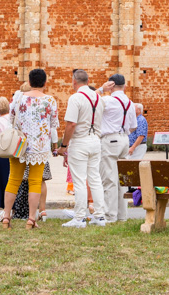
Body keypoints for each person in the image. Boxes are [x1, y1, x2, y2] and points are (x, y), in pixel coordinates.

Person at [2, 69, 59, 229]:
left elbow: (10, 121)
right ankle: (31, 219)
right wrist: (55, 145)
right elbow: (53, 127)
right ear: (45, 83)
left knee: (13, 180)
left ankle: (6, 217)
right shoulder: (50, 100)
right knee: (35, 182)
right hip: (39, 146)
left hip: (19, 144)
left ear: (29, 81)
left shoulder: (18, 98)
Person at [57, 70, 106, 228]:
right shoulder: (99, 98)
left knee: (79, 181)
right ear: (88, 80)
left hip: (80, 141)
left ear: (74, 82)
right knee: (95, 179)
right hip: (95, 140)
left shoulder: (76, 98)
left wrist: (64, 145)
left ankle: (79, 218)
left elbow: (71, 124)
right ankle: (99, 216)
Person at [97, 74, 136, 224]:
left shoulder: (107, 100)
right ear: (124, 86)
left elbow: (91, 103)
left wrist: (101, 89)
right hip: (124, 139)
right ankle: (122, 215)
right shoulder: (129, 103)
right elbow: (133, 127)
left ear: (111, 85)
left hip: (109, 139)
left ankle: (110, 216)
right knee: (122, 180)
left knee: (109, 179)